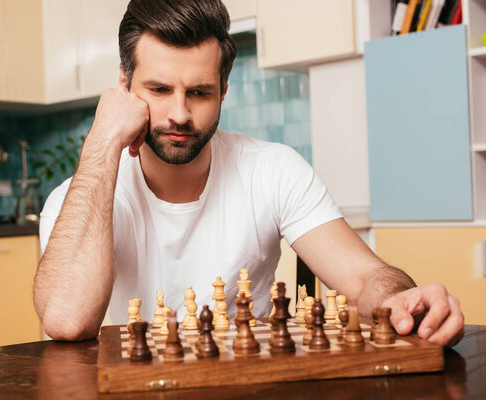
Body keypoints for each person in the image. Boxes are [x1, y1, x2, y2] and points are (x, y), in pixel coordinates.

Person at [34, 0, 464, 346]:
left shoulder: (274, 170)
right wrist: (101, 142)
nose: (180, 114)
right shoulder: (80, 198)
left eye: (199, 92)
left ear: (223, 90)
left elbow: (367, 277)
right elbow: (68, 322)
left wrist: (401, 299)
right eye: (159, 90)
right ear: (124, 87)